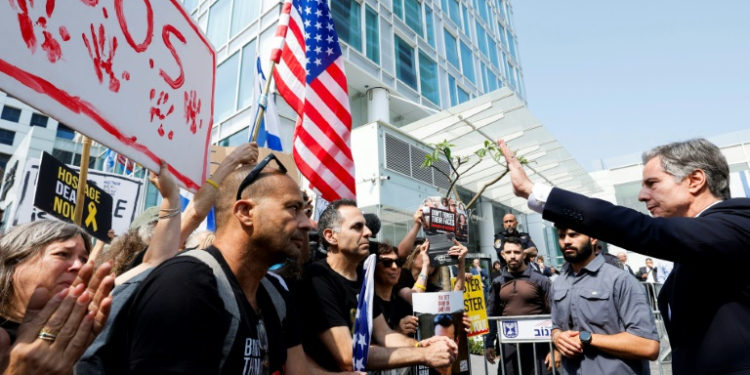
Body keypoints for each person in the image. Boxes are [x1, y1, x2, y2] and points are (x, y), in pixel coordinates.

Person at [497, 137, 750, 374]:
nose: (642, 195)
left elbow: (643, 230)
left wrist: (535, 191)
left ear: (695, 180)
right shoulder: (700, 247)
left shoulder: (737, 222)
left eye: (653, 184)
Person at [103, 154, 330, 374]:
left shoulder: (275, 294)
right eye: (293, 208)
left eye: (305, 211)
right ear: (245, 212)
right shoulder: (185, 287)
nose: (309, 224)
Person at [297, 199, 459, 372]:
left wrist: (421, 345)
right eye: (357, 227)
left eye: (366, 226)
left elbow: (384, 334)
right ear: (331, 236)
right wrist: (425, 355)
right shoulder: (317, 279)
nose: (367, 232)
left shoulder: (362, 278)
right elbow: (349, 355)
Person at [0, 221, 115, 374]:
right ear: (14, 263)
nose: (79, 266)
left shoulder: (85, 334)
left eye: (83, 259)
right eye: (62, 254)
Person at [550, 227, 659, 374]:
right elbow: (556, 326)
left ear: (593, 238)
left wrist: (586, 338)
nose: (566, 241)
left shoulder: (621, 280)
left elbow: (648, 346)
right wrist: (557, 337)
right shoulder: (558, 283)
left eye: (573, 235)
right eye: (561, 236)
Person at [485, 238, 555, 375]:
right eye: (508, 252)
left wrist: (555, 349)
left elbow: (555, 313)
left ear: (524, 254)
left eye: (516, 252)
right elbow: (492, 314)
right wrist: (489, 343)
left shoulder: (541, 280)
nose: (512, 255)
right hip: (509, 351)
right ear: (503, 255)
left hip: (539, 350)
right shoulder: (497, 282)